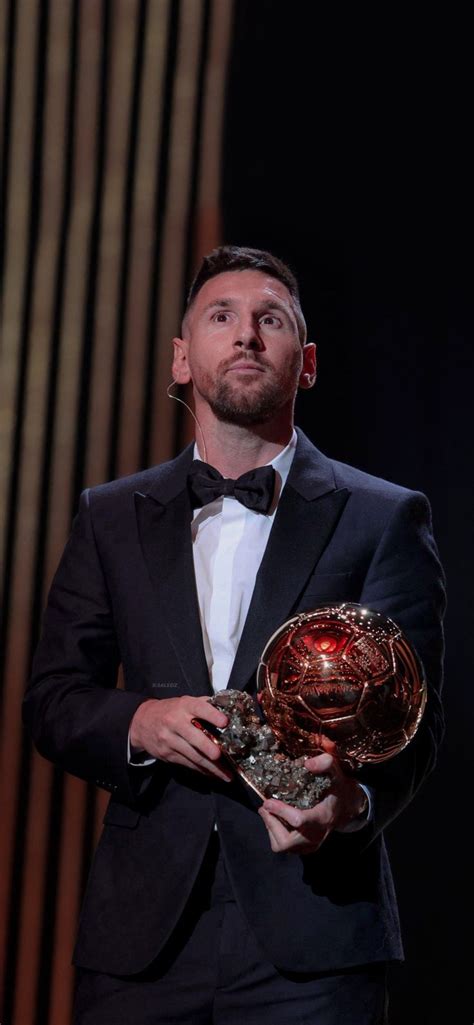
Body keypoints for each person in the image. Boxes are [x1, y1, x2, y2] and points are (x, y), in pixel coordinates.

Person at [23, 245, 445, 1024]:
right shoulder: (109, 516)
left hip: (318, 936)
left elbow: (412, 727)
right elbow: (52, 699)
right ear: (183, 358)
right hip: (140, 940)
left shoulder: (385, 515)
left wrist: (347, 804)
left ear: (306, 362)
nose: (246, 335)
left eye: (270, 320)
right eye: (222, 317)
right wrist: (138, 721)